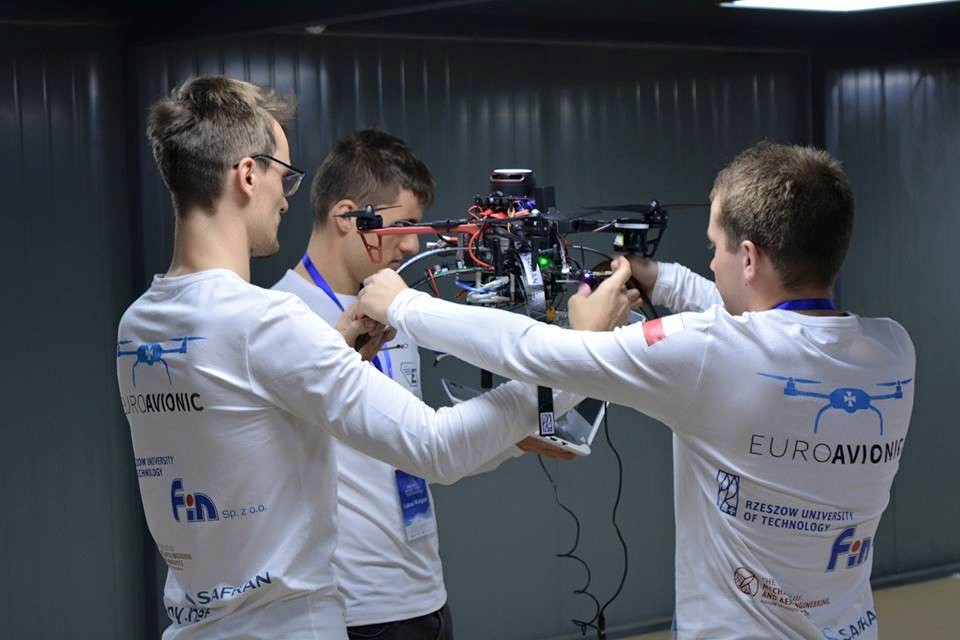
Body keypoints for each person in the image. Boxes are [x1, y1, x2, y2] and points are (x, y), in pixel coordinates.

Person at [358, 142, 916, 639]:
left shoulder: (708, 351)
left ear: (748, 258)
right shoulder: (893, 351)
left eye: (716, 248)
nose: (712, 263)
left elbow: (536, 351)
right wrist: (661, 278)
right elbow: (769, 324)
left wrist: (404, 305)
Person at [115, 76, 592, 640]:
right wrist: (581, 354)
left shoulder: (139, 323)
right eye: (283, 176)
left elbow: (243, 441)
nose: (286, 198)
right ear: (247, 175)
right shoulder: (266, 321)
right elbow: (435, 448)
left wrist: (333, 353)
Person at [271, 129, 571, 640]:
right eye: (402, 226)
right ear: (348, 216)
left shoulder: (391, 308)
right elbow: (433, 449)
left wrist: (512, 440)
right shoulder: (283, 320)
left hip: (424, 593)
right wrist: (573, 363)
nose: (413, 244)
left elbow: (418, 454)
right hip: (355, 611)